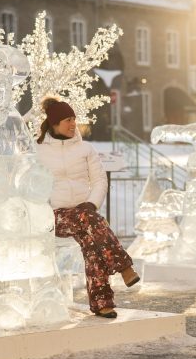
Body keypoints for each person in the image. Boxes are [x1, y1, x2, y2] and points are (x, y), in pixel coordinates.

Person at [36, 97, 140, 319]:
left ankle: (103, 303)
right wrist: (42, 211)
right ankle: (124, 267)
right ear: (54, 124)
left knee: (92, 244)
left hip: (86, 213)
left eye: (74, 119)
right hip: (54, 215)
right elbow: (31, 183)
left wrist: (91, 204)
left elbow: (100, 180)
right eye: (67, 120)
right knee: (91, 221)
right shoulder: (38, 152)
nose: (73, 124)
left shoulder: (85, 149)